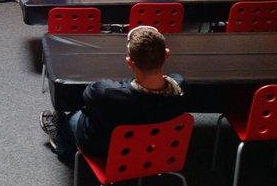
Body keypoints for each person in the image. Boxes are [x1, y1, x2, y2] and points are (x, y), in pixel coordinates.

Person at [39, 26, 188, 162]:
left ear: (130, 62)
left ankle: (63, 148)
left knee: (70, 117)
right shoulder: (181, 86)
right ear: (167, 54)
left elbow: (86, 101)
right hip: (155, 148)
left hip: (104, 150)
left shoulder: (105, 92)